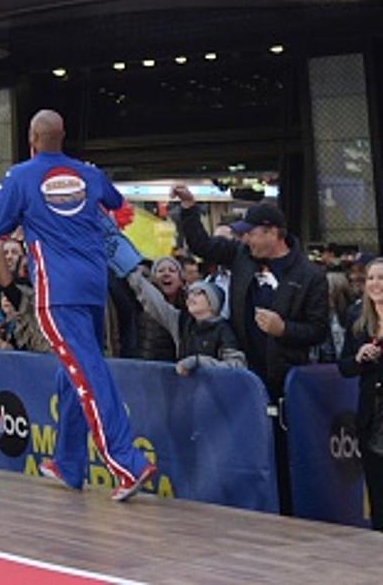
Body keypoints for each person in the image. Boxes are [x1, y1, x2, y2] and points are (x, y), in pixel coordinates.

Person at [0, 110, 155, 501]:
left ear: (32, 137)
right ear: (62, 137)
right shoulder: (89, 173)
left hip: (56, 292)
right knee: (74, 370)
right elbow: (114, 202)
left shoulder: (20, 176)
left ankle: (127, 461)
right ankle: (68, 461)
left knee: (88, 373)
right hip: (94, 287)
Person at [172, 188, 328, 513]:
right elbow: (202, 244)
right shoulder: (242, 257)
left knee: (282, 455)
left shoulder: (309, 275)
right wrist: (189, 208)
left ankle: (287, 513)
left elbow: (319, 330)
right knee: (242, 452)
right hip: (241, 380)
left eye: (252, 234)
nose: (246, 241)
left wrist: (284, 329)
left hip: (283, 384)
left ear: (273, 233)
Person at [338, 256, 383, 530]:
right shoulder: (358, 321)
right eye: (371, 279)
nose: (376, 284)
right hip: (371, 416)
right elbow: (344, 367)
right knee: (376, 488)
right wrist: (358, 357)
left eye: (381, 278)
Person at [128, 272, 246, 373]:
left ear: (212, 301)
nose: (190, 297)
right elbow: (155, 303)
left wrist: (199, 362)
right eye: (190, 293)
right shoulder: (182, 322)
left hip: (214, 396)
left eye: (198, 293)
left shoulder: (223, 330)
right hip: (186, 392)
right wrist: (133, 275)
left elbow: (237, 366)